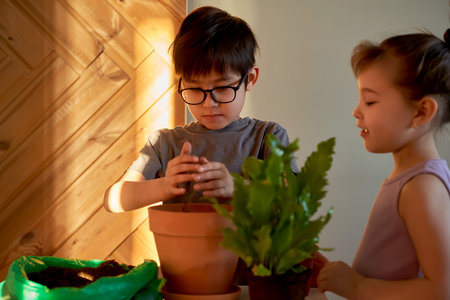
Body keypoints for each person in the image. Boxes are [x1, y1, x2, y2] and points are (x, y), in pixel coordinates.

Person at [103, 6, 299, 213]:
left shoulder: (268, 137)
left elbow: (294, 201)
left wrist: (238, 188)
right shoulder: (165, 144)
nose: (209, 103)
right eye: (195, 89)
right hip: (181, 245)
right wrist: (165, 186)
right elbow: (113, 201)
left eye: (222, 88)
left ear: (250, 79)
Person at [317, 30, 450, 299]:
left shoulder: (421, 187)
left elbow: (442, 289)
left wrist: (356, 286)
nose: (356, 110)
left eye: (370, 101)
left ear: (421, 112)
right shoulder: (409, 179)